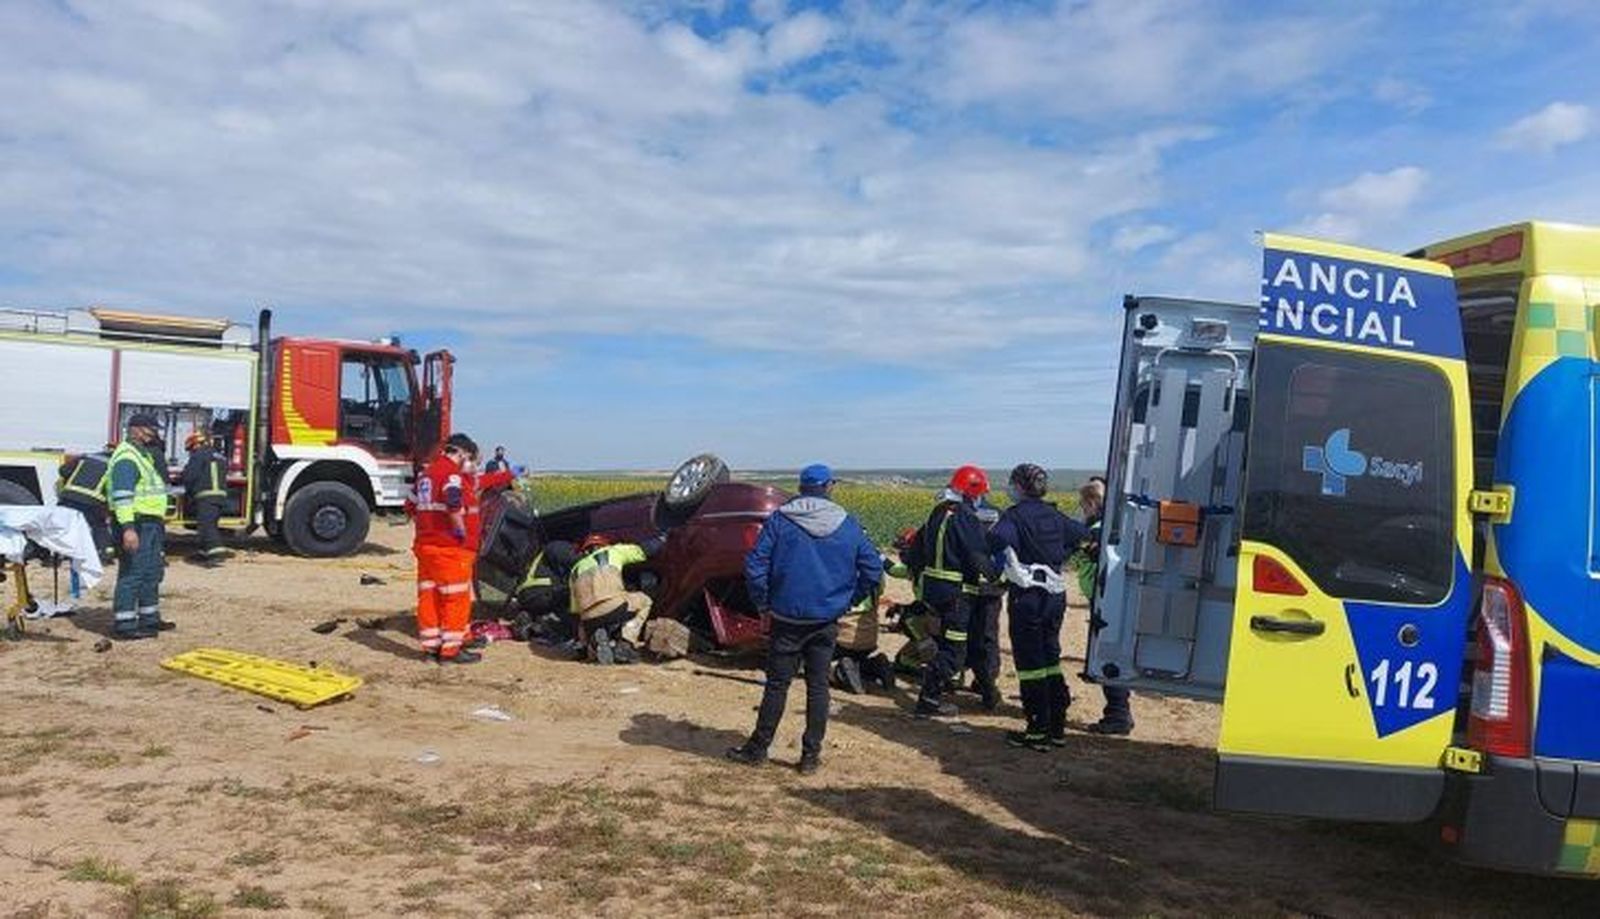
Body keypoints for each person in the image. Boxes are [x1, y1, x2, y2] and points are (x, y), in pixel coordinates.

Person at [727, 463, 882, 775]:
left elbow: (755, 564)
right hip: (826, 619)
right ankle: (810, 756)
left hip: (786, 617)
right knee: (817, 687)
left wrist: (764, 603)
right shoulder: (847, 524)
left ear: (801, 487)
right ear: (828, 488)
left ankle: (758, 749)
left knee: (777, 685)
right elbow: (873, 571)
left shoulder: (780, 520)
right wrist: (847, 600)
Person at [990, 463, 1091, 750]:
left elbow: (997, 539)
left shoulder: (1015, 516)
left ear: (1020, 487)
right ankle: (1057, 727)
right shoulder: (1054, 514)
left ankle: (1037, 730)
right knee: (1050, 658)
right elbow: (1082, 535)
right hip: (1055, 597)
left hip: (1028, 598)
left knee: (1031, 664)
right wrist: (1061, 554)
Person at [912, 465, 998, 718]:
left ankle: (941, 689)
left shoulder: (937, 513)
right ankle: (928, 699)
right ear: (973, 492)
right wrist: (997, 577)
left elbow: (917, 551)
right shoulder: (964, 517)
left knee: (949, 643)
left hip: (935, 591)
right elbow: (976, 554)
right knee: (955, 652)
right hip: (957, 593)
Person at [411, 433, 484, 663]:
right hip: (450, 548)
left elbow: (410, 505)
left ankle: (431, 648)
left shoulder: (426, 474)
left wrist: (428, 526)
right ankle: (451, 650)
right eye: (469, 457)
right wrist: (459, 529)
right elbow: (453, 503)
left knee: (429, 596)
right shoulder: (451, 475)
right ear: (462, 453)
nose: (469, 463)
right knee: (456, 598)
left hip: (425, 547)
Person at [1075, 476, 1133, 735]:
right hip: (1103, 597)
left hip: (1104, 600)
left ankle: (1118, 714)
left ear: (1092, 503)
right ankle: (1118, 712)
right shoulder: (1108, 527)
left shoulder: (1098, 531)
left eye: (1083, 504)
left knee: (1109, 654)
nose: (1081, 509)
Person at [108, 414, 171, 640]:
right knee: (133, 572)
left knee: (152, 572)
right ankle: (124, 624)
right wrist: (128, 528)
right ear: (133, 429)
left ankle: (149, 619)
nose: (152, 433)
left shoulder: (143, 455)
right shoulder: (127, 457)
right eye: (149, 429)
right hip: (136, 523)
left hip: (150, 523)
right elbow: (122, 497)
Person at [568, 533, 664, 664]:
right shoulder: (613, 551)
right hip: (615, 608)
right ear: (604, 545)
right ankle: (626, 642)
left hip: (589, 618)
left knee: (584, 617)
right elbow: (643, 550)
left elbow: (575, 610)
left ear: (585, 551)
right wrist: (664, 538)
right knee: (645, 601)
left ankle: (588, 644)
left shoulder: (575, 570)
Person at [960, 498, 1004, 710]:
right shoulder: (991, 512)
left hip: (984, 588)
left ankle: (987, 682)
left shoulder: (989, 513)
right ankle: (984, 680)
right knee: (983, 635)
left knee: (984, 636)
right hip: (981, 586)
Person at [181, 431, 229, 566]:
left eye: (190, 449)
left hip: (206, 496)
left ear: (196, 444)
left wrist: (184, 481)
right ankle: (203, 552)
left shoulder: (198, 455)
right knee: (208, 524)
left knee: (207, 526)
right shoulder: (220, 456)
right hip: (220, 496)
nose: (190, 452)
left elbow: (191, 475)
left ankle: (216, 553)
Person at [57, 449, 114, 560]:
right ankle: (105, 553)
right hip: (93, 499)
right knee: (99, 526)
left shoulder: (86, 457)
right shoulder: (115, 463)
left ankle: (58, 553)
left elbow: (63, 470)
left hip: (69, 496)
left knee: (66, 525)